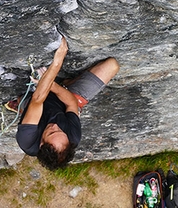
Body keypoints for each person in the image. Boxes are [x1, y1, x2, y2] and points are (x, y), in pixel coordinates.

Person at [13, 36, 120, 170]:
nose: (56, 126)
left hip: (34, 101)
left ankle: (19, 105)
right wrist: (51, 84)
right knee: (112, 65)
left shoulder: (28, 140)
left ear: (41, 144)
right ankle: (67, 83)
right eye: (61, 130)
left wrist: (57, 62)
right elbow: (71, 103)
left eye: (51, 132)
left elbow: (38, 99)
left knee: (25, 102)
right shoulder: (73, 138)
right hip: (63, 97)